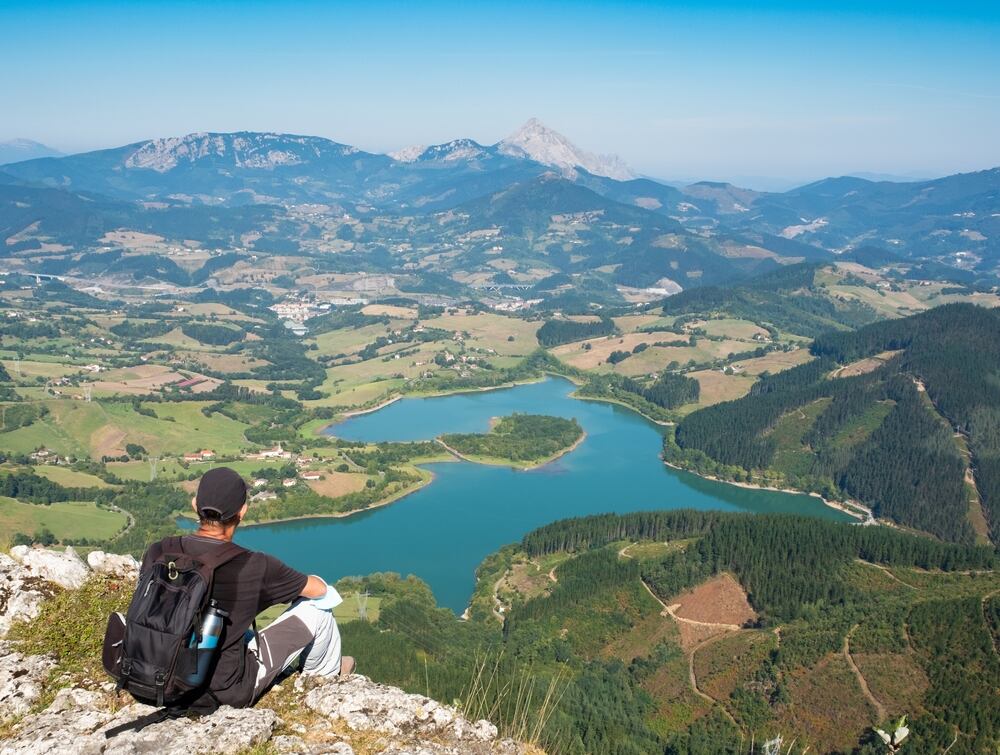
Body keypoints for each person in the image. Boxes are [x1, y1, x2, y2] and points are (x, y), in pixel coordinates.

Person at [138, 466, 354, 709]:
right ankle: (322, 682)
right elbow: (318, 592)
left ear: (194, 504)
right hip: (225, 689)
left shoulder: (158, 550)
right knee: (318, 612)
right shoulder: (253, 565)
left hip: (151, 670)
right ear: (242, 512)